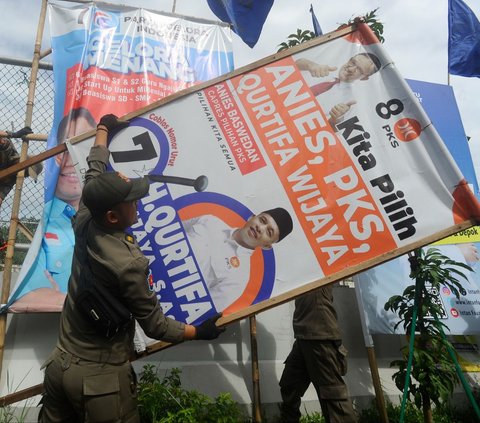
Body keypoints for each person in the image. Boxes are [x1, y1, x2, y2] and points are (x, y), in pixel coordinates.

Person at [39, 114, 225, 422]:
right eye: (132, 201)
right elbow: (156, 326)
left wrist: (103, 131)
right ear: (113, 217)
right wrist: (198, 331)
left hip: (60, 366)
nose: (138, 204)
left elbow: (93, 171)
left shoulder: (85, 216)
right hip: (99, 382)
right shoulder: (128, 264)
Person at [182, 207, 293, 311]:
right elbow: (170, 230)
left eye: (269, 232)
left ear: (266, 246)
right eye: (262, 220)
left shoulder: (240, 278)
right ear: (252, 217)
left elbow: (200, 309)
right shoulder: (210, 220)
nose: (260, 228)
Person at [279, 285, 357, 423]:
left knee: (332, 394)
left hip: (321, 336)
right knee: (289, 385)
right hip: (303, 336)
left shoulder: (318, 269)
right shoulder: (300, 271)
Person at [296, 53, 381, 126]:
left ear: (364, 78)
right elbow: (293, 64)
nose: (351, 69)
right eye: (353, 62)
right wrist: (310, 65)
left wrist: (336, 119)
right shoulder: (325, 66)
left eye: (359, 70)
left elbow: (333, 128)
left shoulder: (349, 103)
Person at [0, 127, 42, 208]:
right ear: (23, 162)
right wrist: (13, 135)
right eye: (27, 172)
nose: (25, 175)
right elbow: (2, 140)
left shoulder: (12, 178)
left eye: (28, 175)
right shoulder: (10, 152)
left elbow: (2, 192)